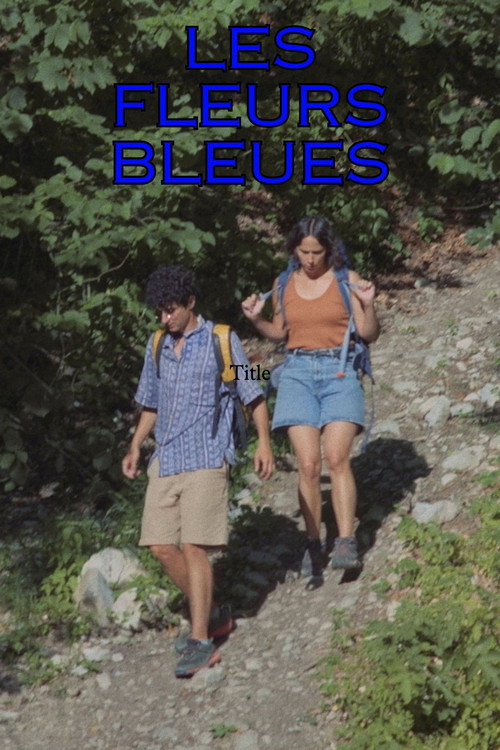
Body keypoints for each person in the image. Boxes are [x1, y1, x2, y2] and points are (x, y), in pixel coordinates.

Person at [122, 265, 274, 677]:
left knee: (194, 547)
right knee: (160, 545)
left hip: (208, 456)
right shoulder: (157, 344)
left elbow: (254, 391)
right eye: (159, 311)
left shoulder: (222, 340)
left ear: (190, 302)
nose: (164, 318)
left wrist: (264, 441)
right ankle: (215, 612)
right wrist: (135, 445)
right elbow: (150, 403)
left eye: (170, 309)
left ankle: (201, 639)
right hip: (166, 458)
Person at [241, 216, 380, 582]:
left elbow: (369, 333)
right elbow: (279, 333)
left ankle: (346, 541)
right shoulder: (283, 283)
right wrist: (256, 320)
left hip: (340, 370)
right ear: (294, 250)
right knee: (307, 464)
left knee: (336, 457)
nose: (310, 259)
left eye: (317, 252)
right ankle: (313, 542)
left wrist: (368, 304)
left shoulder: (347, 281)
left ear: (329, 250)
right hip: (297, 373)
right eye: (304, 252)